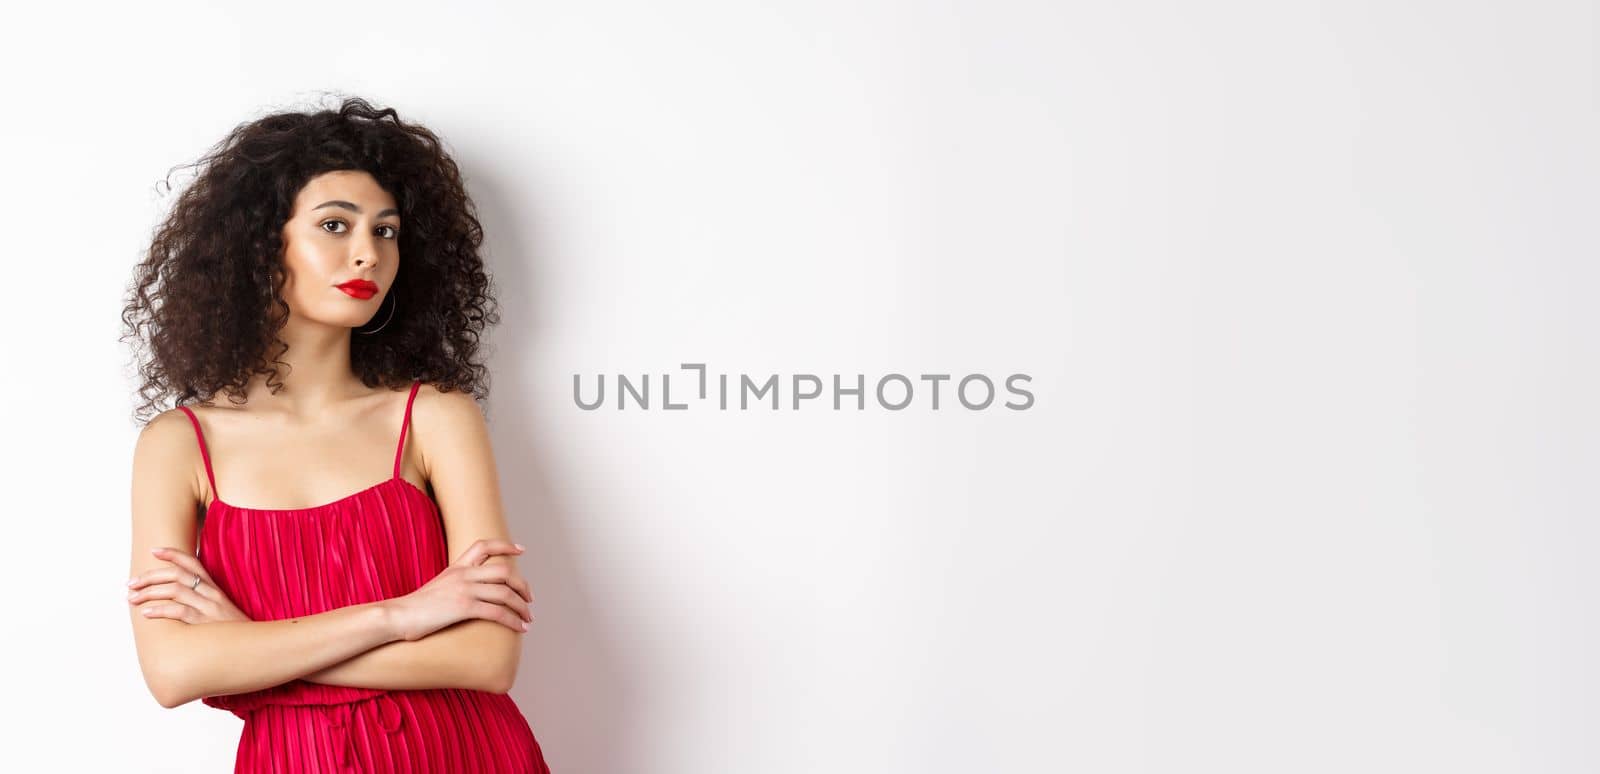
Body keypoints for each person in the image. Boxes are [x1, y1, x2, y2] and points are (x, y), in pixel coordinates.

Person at [120, 96, 553, 772]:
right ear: (262, 243)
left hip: (463, 752)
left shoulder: (435, 417)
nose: (368, 255)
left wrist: (251, 652)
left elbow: (488, 658)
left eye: (386, 231)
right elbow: (174, 671)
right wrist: (401, 616)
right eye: (334, 225)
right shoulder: (179, 445)